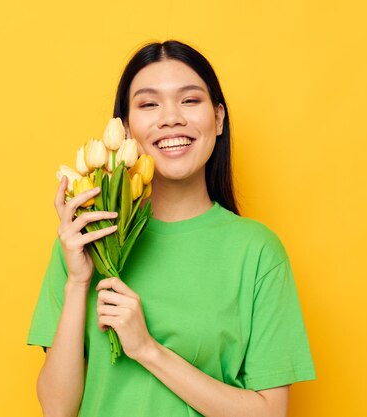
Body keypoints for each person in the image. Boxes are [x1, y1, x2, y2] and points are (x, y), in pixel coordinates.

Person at [28, 40, 315, 417]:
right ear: (126, 128)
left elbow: (269, 413)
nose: (170, 118)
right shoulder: (85, 240)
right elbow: (57, 409)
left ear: (218, 118)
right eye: (149, 104)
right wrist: (79, 282)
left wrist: (147, 349)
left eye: (190, 101)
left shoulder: (257, 252)